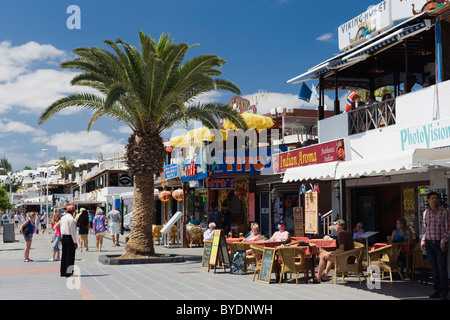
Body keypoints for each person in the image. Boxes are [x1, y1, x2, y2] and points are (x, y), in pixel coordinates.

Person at [420, 192, 450, 300]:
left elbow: (448, 228)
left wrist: (443, 241)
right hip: (429, 243)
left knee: (442, 268)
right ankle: (436, 290)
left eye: (436, 198)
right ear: (428, 200)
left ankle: (444, 291)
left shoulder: (444, 212)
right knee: (434, 269)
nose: (435, 200)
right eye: (432, 198)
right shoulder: (425, 213)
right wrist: (423, 241)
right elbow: (424, 229)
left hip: (440, 243)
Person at [312, 219, 354, 283]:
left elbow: (341, 249)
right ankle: (325, 275)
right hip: (351, 257)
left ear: (339, 226)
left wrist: (330, 252)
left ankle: (318, 277)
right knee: (329, 255)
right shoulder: (347, 232)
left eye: (336, 225)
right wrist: (331, 253)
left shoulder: (341, 234)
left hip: (346, 259)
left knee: (323, 256)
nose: (335, 227)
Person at [60, 205, 78, 277]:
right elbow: (73, 231)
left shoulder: (63, 218)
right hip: (69, 237)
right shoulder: (71, 219)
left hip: (64, 236)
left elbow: (61, 227)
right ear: (73, 211)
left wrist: (61, 237)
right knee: (70, 255)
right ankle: (69, 272)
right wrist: (75, 242)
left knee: (64, 254)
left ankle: (63, 271)